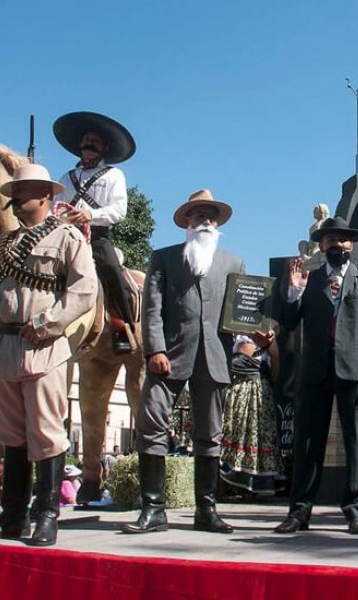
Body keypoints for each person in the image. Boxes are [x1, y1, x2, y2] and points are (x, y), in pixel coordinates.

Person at [0, 163, 97, 545]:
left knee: (46, 433)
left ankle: (46, 514)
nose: (16, 198)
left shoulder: (67, 238)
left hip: (42, 346)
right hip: (4, 347)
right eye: (15, 191)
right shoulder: (2, 245)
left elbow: (83, 291)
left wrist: (49, 323)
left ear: (45, 195)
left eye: (25, 190)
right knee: (12, 435)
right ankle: (12, 516)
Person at [123, 189, 244, 535]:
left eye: (211, 215)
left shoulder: (233, 264)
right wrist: (154, 350)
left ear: (218, 223)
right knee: (152, 426)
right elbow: (151, 309)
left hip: (215, 356)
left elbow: (242, 314)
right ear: (186, 222)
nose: (205, 220)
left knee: (211, 434)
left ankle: (206, 510)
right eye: (198, 215)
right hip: (170, 354)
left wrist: (258, 332)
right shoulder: (164, 258)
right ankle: (153, 508)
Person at [274, 216, 358, 535]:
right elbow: (288, 321)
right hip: (314, 371)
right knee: (308, 443)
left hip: (354, 371)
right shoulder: (308, 281)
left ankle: (355, 509)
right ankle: (299, 511)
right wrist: (294, 292)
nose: (337, 244)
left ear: (351, 244)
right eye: (330, 239)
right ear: (321, 244)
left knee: (356, 441)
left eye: (342, 239)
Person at [53, 111, 136, 354]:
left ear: (105, 147)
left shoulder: (114, 175)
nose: (89, 144)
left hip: (96, 237)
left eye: (95, 141)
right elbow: (51, 209)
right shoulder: (65, 178)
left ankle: (123, 325)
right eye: (86, 140)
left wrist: (90, 215)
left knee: (111, 269)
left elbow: (119, 210)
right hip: (65, 237)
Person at [219, 332, 284, 495]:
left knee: (255, 434)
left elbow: (277, 363)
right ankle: (225, 485)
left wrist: (268, 343)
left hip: (257, 384)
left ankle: (254, 487)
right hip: (234, 382)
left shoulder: (272, 324)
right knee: (230, 432)